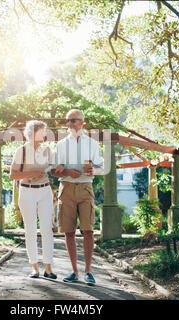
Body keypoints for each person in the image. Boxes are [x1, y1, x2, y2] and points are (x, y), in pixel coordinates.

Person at [51, 109, 104, 285]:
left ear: (82, 122)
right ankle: (74, 271)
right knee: (69, 232)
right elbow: (53, 170)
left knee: (88, 231)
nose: (69, 123)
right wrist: (67, 171)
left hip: (85, 188)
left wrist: (93, 170)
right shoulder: (60, 144)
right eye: (67, 120)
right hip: (66, 188)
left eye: (73, 120)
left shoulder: (92, 144)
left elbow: (101, 168)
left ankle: (88, 272)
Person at [9, 120, 57, 279]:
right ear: (33, 133)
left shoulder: (48, 150)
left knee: (46, 229)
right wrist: (32, 174)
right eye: (42, 131)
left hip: (45, 192)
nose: (45, 134)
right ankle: (35, 268)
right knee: (30, 230)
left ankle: (48, 269)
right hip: (27, 192)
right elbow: (13, 175)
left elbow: (55, 168)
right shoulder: (21, 151)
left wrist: (57, 168)